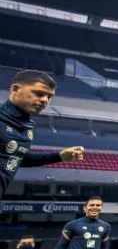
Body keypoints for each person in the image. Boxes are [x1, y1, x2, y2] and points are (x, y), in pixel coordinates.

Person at [1, 70, 84, 202]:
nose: (45, 100)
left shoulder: (29, 126)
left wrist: (58, 157)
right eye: (38, 94)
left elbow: (16, 157)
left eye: (49, 97)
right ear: (14, 89)